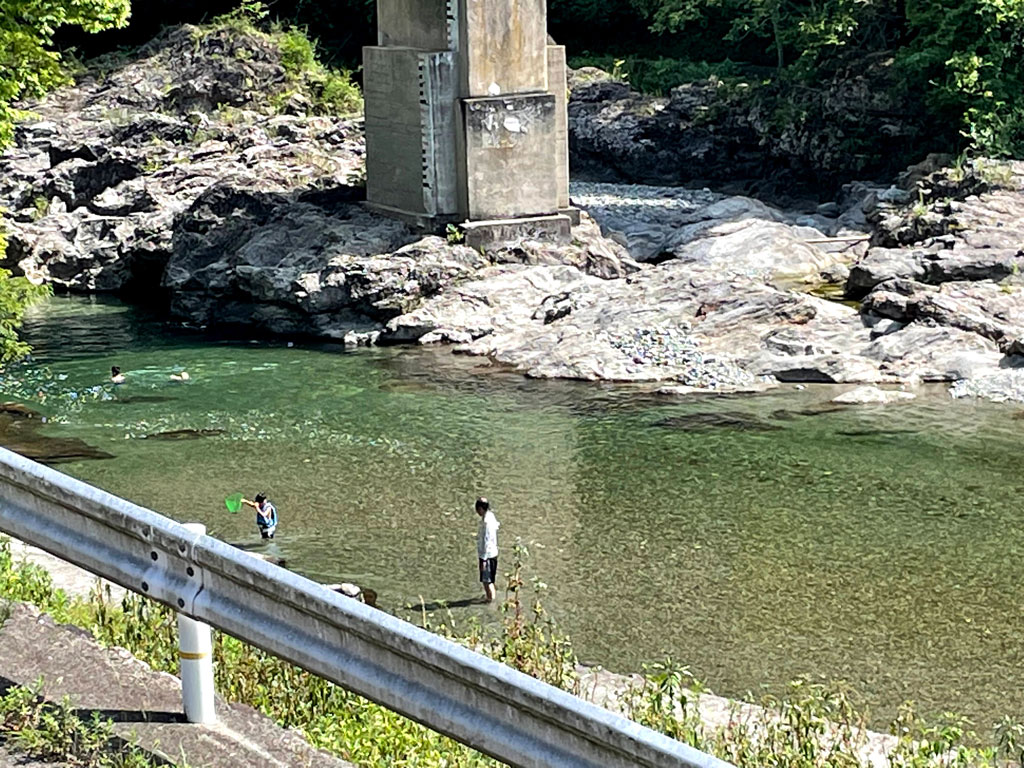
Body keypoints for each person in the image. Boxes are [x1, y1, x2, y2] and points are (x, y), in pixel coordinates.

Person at [475, 497, 499, 602]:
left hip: (487, 555)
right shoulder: (491, 516)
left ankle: (490, 600)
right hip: (493, 552)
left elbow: (486, 541)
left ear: (480, 509)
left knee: (486, 581)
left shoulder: (486, 523)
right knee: (490, 580)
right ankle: (491, 597)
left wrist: (483, 560)